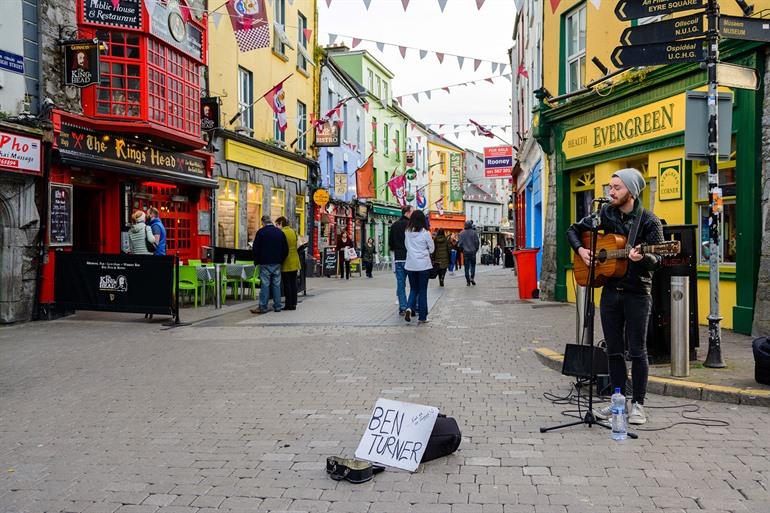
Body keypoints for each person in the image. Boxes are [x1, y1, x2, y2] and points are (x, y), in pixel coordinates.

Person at [567, 168, 664, 425]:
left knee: (637, 350)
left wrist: (643, 257)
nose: (611, 192)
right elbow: (573, 230)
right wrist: (583, 251)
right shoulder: (605, 214)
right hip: (610, 292)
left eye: (617, 187)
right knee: (614, 351)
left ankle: (639, 404)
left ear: (631, 191)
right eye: (610, 187)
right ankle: (617, 402)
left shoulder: (649, 221)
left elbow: (659, 260)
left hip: (637, 293)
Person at [250, 215, 288, 314]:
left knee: (265, 285)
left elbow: (255, 249)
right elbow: (285, 249)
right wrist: (281, 259)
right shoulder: (280, 232)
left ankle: (263, 307)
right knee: (276, 284)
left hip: (264, 263)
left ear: (263, 222)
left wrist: (256, 260)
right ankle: (278, 306)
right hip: (277, 263)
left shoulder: (261, 232)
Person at [404, 210, 434, 324]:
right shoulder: (425, 233)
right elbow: (432, 249)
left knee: (413, 289)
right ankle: (422, 317)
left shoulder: (407, 232)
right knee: (422, 291)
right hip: (423, 266)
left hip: (411, 265)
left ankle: (408, 307)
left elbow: (407, 246)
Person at [388, 205, 413, 315]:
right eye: (412, 211)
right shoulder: (411, 225)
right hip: (410, 258)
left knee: (401, 284)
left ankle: (403, 307)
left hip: (399, 258)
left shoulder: (394, 225)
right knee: (414, 284)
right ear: (407, 213)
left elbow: (391, 243)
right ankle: (412, 306)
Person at [275, 217, 300, 311]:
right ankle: (294, 303)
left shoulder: (282, 233)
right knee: (294, 283)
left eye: (277, 224)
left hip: (287, 260)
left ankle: (288, 304)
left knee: (287, 284)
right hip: (295, 259)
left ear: (281, 223)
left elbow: (281, 247)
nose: (276, 227)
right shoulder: (293, 231)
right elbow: (298, 244)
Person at [458, 221, 480, 286]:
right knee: (473, 266)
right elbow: (477, 243)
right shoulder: (474, 233)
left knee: (466, 267)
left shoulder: (461, 233)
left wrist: (462, 251)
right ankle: (472, 278)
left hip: (465, 253)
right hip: (473, 252)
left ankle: (468, 281)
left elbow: (460, 244)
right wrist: (475, 250)